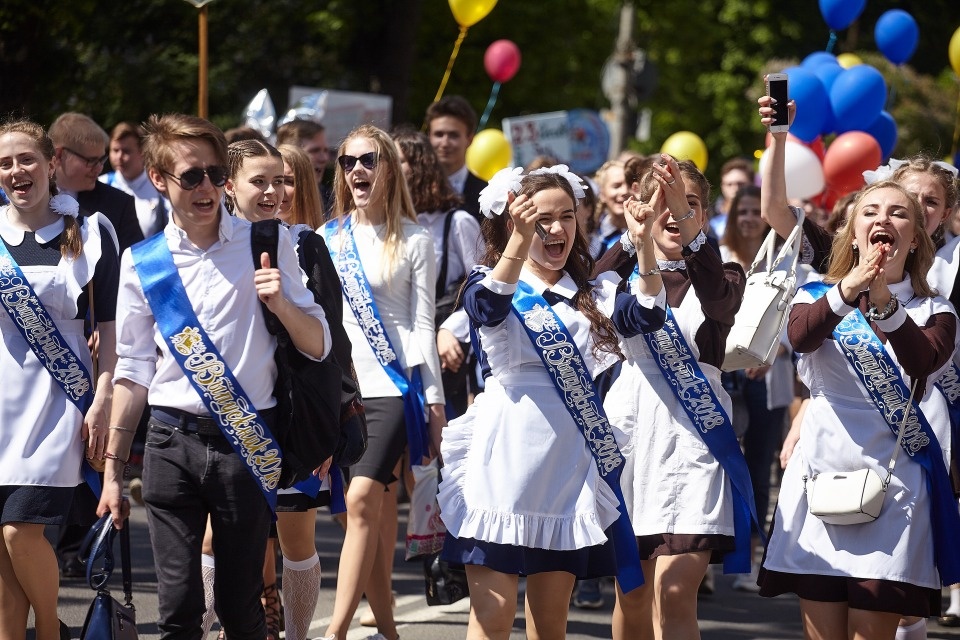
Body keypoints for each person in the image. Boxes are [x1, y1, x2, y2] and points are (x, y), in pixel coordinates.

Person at [96, 113, 331, 640]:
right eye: (191, 176)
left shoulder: (266, 241)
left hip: (246, 441)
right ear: (158, 179)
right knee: (178, 610)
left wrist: (281, 303)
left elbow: (318, 344)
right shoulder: (142, 262)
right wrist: (112, 472)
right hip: (169, 442)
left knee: (240, 608)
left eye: (216, 173)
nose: (207, 187)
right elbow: (133, 370)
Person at [437, 165, 667, 640]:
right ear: (514, 223)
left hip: (566, 466)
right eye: (541, 219)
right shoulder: (491, 279)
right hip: (504, 460)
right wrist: (518, 242)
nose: (557, 228)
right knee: (493, 619)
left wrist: (643, 244)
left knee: (550, 625)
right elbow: (487, 309)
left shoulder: (594, 292)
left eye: (566, 216)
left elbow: (647, 315)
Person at [758, 180, 960, 640]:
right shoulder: (814, 294)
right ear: (852, 234)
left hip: (897, 487)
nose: (883, 219)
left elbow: (923, 361)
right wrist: (849, 288)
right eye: (870, 211)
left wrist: (886, 304)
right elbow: (801, 336)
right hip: (821, 479)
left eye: (898, 213)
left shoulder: (935, 310)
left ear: (916, 240)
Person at [597, 155, 753, 640]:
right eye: (661, 202)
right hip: (632, 432)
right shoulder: (621, 277)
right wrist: (632, 237)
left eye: (687, 204)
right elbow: (583, 290)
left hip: (696, 438)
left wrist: (686, 227)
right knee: (634, 591)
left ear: (704, 215)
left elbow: (719, 299)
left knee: (675, 591)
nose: (673, 213)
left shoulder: (725, 275)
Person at [320, 124, 446, 640]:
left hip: (393, 389)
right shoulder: (327, 238)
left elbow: (423, 326)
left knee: (359, 502)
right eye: (347, 161)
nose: (357, 170)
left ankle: (335, 631)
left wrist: (434, 403)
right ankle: (389, 630)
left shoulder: (416, 239)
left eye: (369, 160)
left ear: (389, 168)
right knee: (363, 513)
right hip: (340, 390)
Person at [0, 119, 118, 640]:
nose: (15, 171)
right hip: (1, 399)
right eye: (4, 163)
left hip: (56, 401)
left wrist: (104, 396)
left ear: (51, 163)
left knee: (19, 530)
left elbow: (112, 328)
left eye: (25, 158)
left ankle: (50, 630)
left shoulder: (90, 233)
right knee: (2, 545)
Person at [719, 184, 793, 592]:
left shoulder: (788, 261)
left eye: (756, 212)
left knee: (760, 469)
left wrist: (773, 350)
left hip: (768, 378)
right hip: (724, 378)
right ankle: (710, 557)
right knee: (721, 466)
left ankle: (748, 559)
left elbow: (797, 319)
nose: (749, 219)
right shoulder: (717, 257)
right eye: (742, 212)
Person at [393, 128, 481, 420]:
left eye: (396, 160)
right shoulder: (381, 226)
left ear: (420, 166)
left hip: (442, 355)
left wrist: (450, 329)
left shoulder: (457, 222)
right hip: (393, 353)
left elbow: (484, 288)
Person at [48, 112, 144, 253]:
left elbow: (136, 260)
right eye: (91, 161)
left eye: (101, 160)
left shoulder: (118, 205)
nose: (99, 168)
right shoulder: (28, 198)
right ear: (59, 155)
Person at [100, 121, 169, 238]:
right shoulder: (101, 184)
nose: (119, 157)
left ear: (142, 152)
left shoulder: (160, 186)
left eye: (126, 151)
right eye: (115, 150)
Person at [425, 95, 487, 221]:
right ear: (429, 137)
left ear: (469, 139)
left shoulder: (486, 194)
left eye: (453, 135)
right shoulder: (411, 189)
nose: (445, 143)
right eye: (439, 134)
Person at [276, 119, 332, 214]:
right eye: (315, 151)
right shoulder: (267, 201)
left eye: (326, 150)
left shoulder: (332, 201)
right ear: (289, 152)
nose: (324, 158)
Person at [590, 160, 629, 259]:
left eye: (629, 185)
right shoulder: (593, 236)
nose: (624, 191)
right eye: (616, 186)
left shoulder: (648, 232)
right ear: (602, 194)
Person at [708, 158, 754, 239]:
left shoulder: (761, 213)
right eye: (729, 184)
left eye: (740, 184)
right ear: (722, 186)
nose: (735, 188)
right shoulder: (709, 213)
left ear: (752, 184)